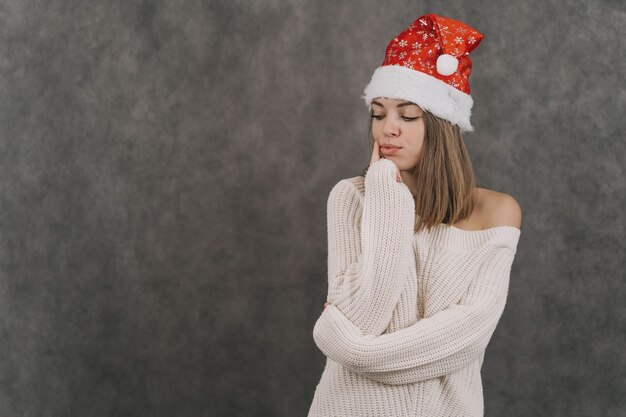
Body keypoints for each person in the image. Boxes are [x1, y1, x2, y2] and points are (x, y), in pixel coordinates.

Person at [308, 13, 522, 417]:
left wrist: (353, 349)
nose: (388, 128)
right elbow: (367, 313)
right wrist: (386, 197)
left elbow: (464, 340)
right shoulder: (352, 198)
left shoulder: (497, 212)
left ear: (442, 124)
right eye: (378, 113)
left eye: (407, 116)